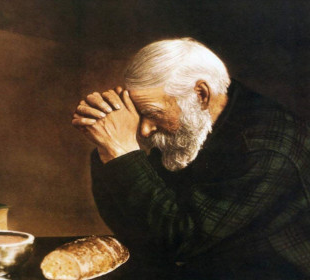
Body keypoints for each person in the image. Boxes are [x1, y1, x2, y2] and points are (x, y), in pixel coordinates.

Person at [72, 38, 310, 279]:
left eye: (153, 113)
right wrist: (108, 149)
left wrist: (122, 151)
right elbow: (137, 231)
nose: (144, 130)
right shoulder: (189, 122)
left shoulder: (266, 147)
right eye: (139, 114)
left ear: (201, 94)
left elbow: (179, 243)